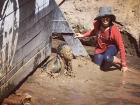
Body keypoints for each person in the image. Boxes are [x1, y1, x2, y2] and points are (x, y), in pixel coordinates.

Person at [75, 6, 128, 72]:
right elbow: (93, 32)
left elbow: (121, 46)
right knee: (99, 66)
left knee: (107, 58)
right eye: (103, 17)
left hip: (112, 47)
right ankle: (107, 59)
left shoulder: (114, 30)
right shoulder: (98, 25)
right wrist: (83, 35)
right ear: (100, 18)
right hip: (101, 47)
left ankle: (119, 61)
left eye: (107, 17)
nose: (105, 19)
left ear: (110, 18)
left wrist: (124, 64)